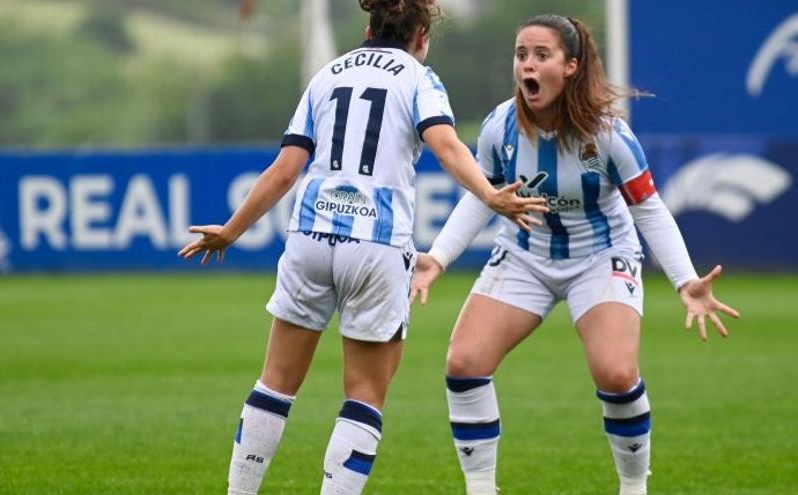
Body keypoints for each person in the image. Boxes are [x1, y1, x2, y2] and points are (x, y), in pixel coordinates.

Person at [178, 2, 547, 494]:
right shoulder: (418, 78)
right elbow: (447, 145)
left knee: (276, 382)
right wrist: (489, 194)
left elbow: (285, 169)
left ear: (369, 29)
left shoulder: (327, 75)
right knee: (365, 394)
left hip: (310, 237)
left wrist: (232, 229)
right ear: (420, 36)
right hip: (376, 245)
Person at [410, 14, 740, 495]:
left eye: (542, 55)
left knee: (617, 372)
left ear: (570, 67)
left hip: (601, 255)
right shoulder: (500, 126)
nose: (528, 64)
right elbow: (481, 194)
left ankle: (633, 489)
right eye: (521, 55)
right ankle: (480, 489)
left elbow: (647, 209)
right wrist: (437, 257)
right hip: (525, 254)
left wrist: (685, 281)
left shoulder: (608, 134)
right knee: (464, 363)